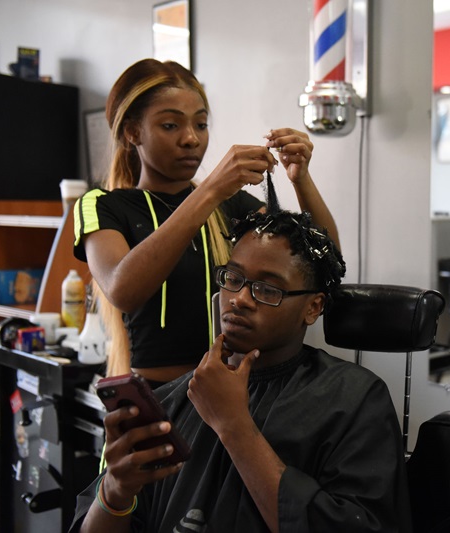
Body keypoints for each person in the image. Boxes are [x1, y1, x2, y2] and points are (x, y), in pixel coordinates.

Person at [70, 210, 412, 533]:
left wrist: (233, 425)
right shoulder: (171, 401)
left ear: (313, 307)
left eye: (267, 288)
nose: (240, 299)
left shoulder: (354, 401)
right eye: (233, 278)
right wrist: (115, 492)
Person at [73, 59, 339, 386]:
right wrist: (211, 189)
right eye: (170, 125)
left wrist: (302, 180)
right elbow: (123, 290)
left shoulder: (230, 205)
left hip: (229, 396)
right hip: (158, 402)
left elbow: (324, 262)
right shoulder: (103, 206)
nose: (191, 139)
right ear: (132, 132)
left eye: (200, 124)